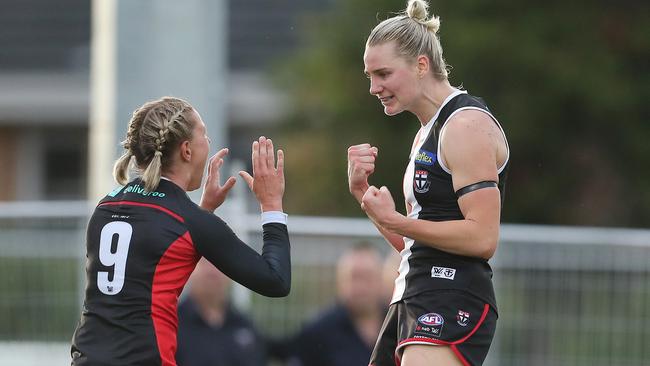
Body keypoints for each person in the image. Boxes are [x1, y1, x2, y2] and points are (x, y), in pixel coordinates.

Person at [71, 96, 291, 366]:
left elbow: (155, 265)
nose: (208, 143)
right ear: (187, 150)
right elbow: (276, 280)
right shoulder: (189, 221)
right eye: (204, 134)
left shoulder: (106, 206)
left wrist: (204, 211)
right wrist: (271, 204)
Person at [347, 1, 510, 365]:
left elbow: (484, 238)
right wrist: (362, 194)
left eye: (384, 74)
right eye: (369, 76)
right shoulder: (427, 131)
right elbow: (416, 246)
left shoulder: (465, 125)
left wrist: (394, 219)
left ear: (421, 65)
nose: (374, 87)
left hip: (450, 296)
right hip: (415, 291)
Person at [282, 243, 386, 366]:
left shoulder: (401, 326)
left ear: (381, 280)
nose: (360, 287)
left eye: (367, 277)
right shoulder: (318, 332)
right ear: (340, 281)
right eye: (354, 277)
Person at [176, 258, 267, 366]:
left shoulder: (245, 325)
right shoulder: (172, 323)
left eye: (219, 263)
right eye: (204, 262)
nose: (212, 270)